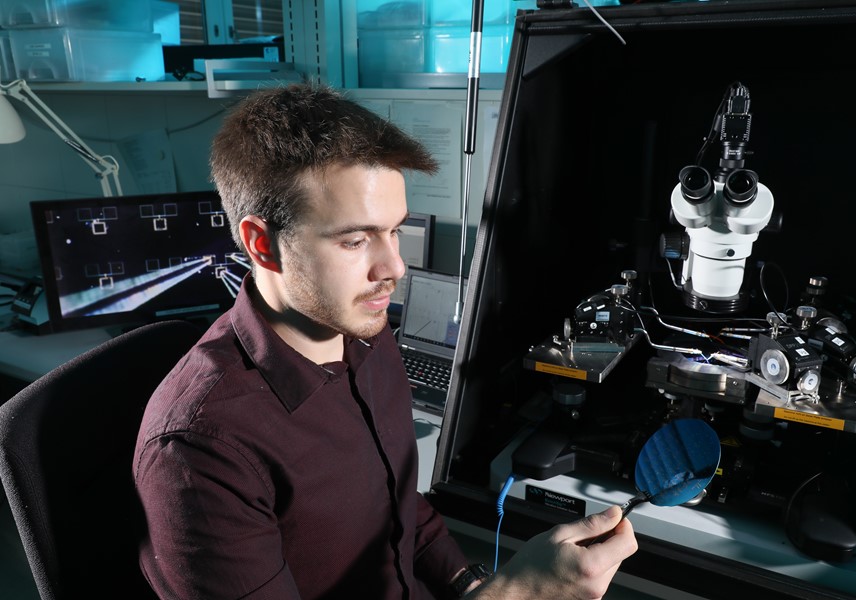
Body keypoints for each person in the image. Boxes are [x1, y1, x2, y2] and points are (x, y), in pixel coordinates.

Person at [132, 83, 637, 600]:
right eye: (355, 240)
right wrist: (519, 594)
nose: (394, 267)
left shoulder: (365, 334)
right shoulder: (201, 450)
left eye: (395, 231)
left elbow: (399, 505)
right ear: (263, 244)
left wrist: (468, 587)